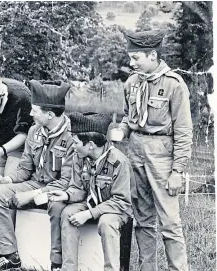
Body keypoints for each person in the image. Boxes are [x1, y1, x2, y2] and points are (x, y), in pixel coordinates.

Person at [109, 30, 193, 271]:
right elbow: (128, 116)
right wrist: (122, 131)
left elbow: (184, 131)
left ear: (153, 55)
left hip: (162, 156)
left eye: (136, 58)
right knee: (142, 220)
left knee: (169, 223)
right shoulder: (132, 83)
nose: (131, 63)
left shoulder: (174, 85)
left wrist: (177, 170)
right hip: (135, 152)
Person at [0, 80, 74, 271]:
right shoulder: (34, 131)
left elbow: (66, 183)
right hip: (35, 184)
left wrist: (33, 196)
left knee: (57, 206)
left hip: (58, 191)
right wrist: (6, 180)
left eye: (35, 110)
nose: (30, 113)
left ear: (50, 114)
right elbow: (25, 168)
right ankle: (10, 255)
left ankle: (56, 263)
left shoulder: (72, 137)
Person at [48, 112, 133, 271]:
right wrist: (66, 195)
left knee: (106, 223)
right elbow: (79, 188)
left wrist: (89, 213)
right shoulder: (80, 157)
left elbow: (121, 201)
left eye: (75, 142)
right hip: (89, 203)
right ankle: (68, 267)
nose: (72, 146)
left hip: (115, 209)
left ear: (91, 144)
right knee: (67, 213)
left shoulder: (119, 162)